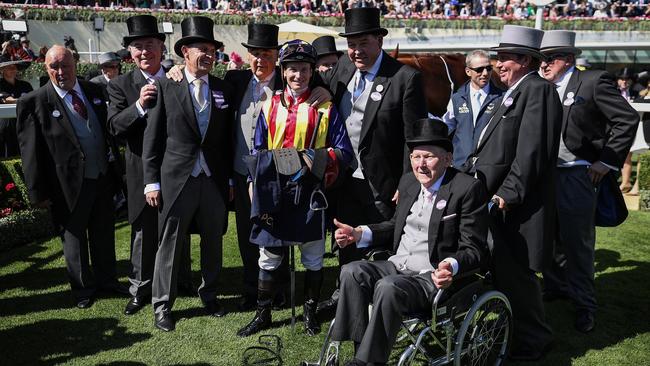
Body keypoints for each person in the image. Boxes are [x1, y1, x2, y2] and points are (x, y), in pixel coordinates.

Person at [330, 118, 488, 366]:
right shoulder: (408, 182)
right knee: (352, 271)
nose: (421, 165)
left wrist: (450, 266)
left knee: (387, 287)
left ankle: (369, 362)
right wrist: (359, 233)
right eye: (416, 157)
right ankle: (356, 349)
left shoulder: (467, 189)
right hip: (397, 264)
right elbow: (396, 225)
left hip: (429, 276)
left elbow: (474, 248)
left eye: (429, 157)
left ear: (448, 158)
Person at [236, 40, 353, 338]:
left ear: (312, 71)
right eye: (291, 70)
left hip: (310, 192)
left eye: (303, 69)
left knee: (312, 256)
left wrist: (311, 159)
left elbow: (343, 151)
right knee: (269, 256)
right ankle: (263, 314)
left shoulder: (325, 108)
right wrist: (253, 183)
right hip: (274, 192)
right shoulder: (269, 105)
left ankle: (309, 312)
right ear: (283, 71)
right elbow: (258, 148)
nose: (297, 75)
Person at [316, 7, 428, 314]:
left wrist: (408, 183)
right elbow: (304, 79)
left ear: (379, 40)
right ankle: (345, 297)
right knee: (346, 238)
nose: (356, 50)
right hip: (346, 178)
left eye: (363, 42)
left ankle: (386, 300)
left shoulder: (404, 78)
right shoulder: (342, 68)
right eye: (351, 44)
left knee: (384, 241)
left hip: (385, 183)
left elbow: (414, 138)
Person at [466, 25, 562, 360]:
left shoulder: (538, 90)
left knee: (518, 276)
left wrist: (508, 194)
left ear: (525, 60)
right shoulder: (515, 91)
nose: (498, 64)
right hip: (495, 201)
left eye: (505, 57)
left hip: (515, 207)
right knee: (506, 274)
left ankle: (536, 340)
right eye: (498, 57)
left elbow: (531, 152)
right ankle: (517, 332)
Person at [539, 31, 638, 333]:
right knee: (549, 238)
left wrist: (607, 162)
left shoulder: (593, 81)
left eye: (550, 58)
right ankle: (557, 287)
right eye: (541, 58)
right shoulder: (540, 87)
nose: (543, 64)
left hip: (576, 174)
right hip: (544, 175)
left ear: (568, 59)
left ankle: (585, 306)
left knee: (578, 244)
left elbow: (627, 119)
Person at [16, 45, 127, 309]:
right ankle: (83, 290)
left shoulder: (94, 91)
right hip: (65, 185)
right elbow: (29, 152)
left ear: (75, 64)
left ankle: (107, 280)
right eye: (54, 67)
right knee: (74, 238)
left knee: (103, 233)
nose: (60, 71)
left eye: (65, 65)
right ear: (46, 68)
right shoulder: (34, 102)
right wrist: (37, 192)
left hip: (101, 176)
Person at [142, 16, 234, 332]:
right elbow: (152, 139)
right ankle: (162, 306)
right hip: (176, 180)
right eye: (201, 49)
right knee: (169, 245)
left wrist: (230, 180)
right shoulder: (166, 86)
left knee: (213, 241)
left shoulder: (224, 88)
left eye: (212, 49)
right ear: (185, 53)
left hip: (213, 181)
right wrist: (151, 181)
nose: (208, 55)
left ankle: (209, 295)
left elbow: (226, 140)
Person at [107, 15, 193, 317]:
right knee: (143, 230)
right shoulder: (120, 85)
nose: (145, 52)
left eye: (150, 46)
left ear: (161, 47)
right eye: (138, 47)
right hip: (141, 169)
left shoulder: (177, 76)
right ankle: (141, 287)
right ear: (130, 53)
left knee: (175, 225)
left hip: (175, 169)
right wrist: (140, 106)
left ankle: (181, 280)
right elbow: (115, 127)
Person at [442, 49, 504, 168]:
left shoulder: (502, 98)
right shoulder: (457, 98)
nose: (485, 73)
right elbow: (447, 126)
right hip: (460, 165)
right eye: (479, 69)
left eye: (489, 68)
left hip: (489, 167)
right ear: (468, 71)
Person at [0, 56, 32, 157]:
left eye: (15, 67)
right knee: (8, 153)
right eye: (10, 67)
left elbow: (34, 99)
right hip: (7, 125)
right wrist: (24, 100)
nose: (13, 69)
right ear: (2, 70)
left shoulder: (25, 85)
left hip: (25, 123)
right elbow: (7, 100)